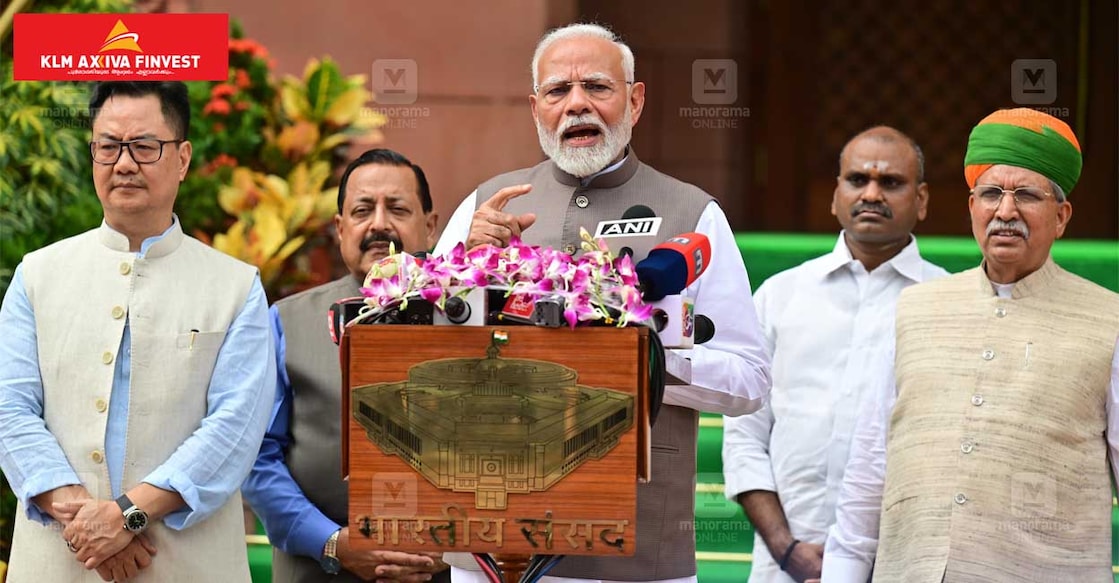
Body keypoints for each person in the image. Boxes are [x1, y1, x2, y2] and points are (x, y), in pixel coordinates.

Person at [433, 22, 772, 583]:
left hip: (635, 546)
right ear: (535, 109)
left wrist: (640, 360)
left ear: (635, 101)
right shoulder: (485, 207)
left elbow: (750, 381)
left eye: (597, 87)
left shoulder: (693, 213)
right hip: (492, 538)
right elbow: (421, 351)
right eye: (557, 91)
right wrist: (461, 274)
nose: (576, 105)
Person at [821, 108, 1119, 582]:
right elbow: (868, 471)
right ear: (971, 207)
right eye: (991, 194)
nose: (1005, 212)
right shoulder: (912, 309)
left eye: (1026, 195)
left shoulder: (1110, 321)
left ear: (1061, 217)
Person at [0, 81, 276, 582]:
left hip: (185, 564)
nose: (123, 163)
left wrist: (129, 514)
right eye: (107, 146)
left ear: (183, 158)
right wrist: (86, 520)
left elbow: (234, 429)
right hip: (60, 561)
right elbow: (9, 408)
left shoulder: (236, 288)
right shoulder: (37, 275)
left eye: (145, 147)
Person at [721, 127, 948, 583]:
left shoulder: (946, 303)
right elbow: (744, 436)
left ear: (921, 200)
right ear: (835, 194)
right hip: (782, 565)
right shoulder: (780, 296)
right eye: (857, 179)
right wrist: (788, 551)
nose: (871, 194)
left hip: (902, 565)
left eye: (891, 183)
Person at [242, 148, 450, 583]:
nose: (379, 224)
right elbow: (257, 457)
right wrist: (332, 542)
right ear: (340, 229)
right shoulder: (287, 320)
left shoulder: (469, 317)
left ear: (430, 226)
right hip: (317, 569)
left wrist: (459, 546)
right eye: (362, 210)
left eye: (397, 208)